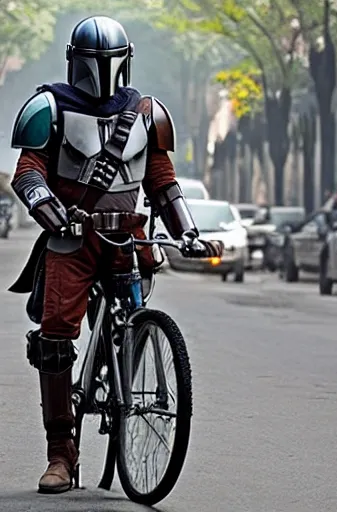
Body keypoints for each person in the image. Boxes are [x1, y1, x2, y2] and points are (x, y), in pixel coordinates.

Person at [8, 16, 223, 495]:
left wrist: (188, 233)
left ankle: (121, 375)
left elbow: (163, 184)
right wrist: (50, 210)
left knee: (136, 318)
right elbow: (28, 171)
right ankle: (61, 452)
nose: (100, 70)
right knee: (56, 336)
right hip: (73, 240)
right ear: (74, 61)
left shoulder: (146, 114)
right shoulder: (50, 107)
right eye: (92, 62)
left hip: (128, 240)